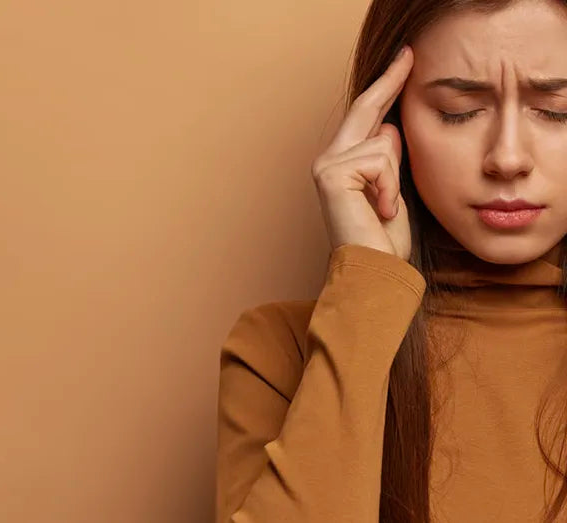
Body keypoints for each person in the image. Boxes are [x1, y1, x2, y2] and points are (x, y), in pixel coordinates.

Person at [214, 1, 567, 522]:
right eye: (458, 110)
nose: (508, 158)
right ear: (387, 121)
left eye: (557, 110)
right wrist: (366, 286)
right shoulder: (278, 350)